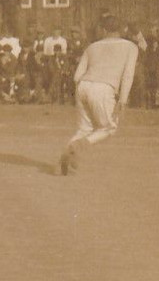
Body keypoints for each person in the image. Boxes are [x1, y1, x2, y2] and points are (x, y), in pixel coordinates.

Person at [59, 13, 140, 176]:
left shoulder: (92, 47)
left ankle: (66, 155)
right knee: (109, 127)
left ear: (103, 29)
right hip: (104, 87)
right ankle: (78, 147)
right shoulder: (131, 47)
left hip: (83, 86)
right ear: (122, 29)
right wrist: (122, 100)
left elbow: (76, 76)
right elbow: (128, 74)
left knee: (84, 128)